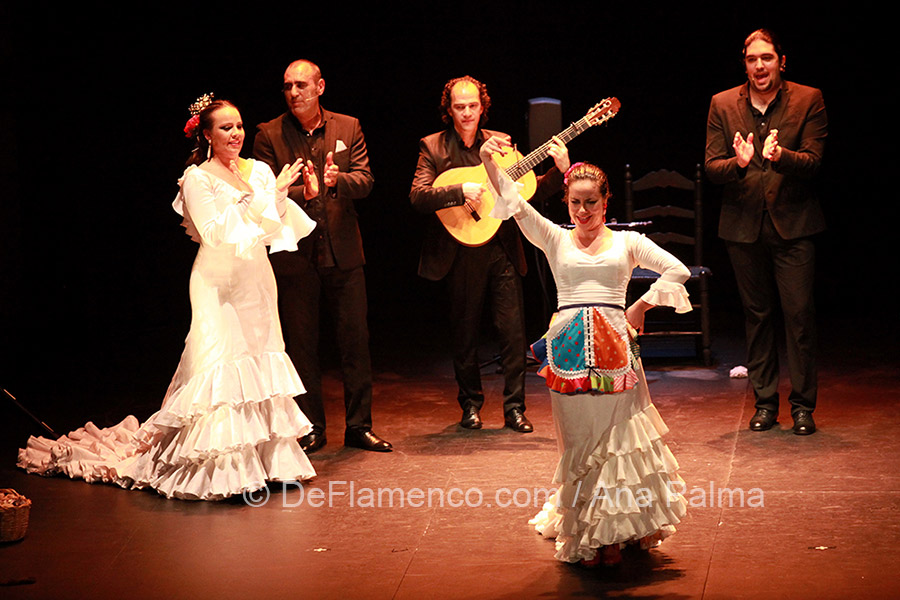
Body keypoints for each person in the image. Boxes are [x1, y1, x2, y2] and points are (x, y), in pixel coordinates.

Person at [18, 96, 318, 500]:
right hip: (217, 282)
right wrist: (268, 197)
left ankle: (269, 463)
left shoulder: (260, 170)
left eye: (240, 126)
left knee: (260, 356)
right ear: (207, 134)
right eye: (226, 128)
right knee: (220, 362)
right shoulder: (198, 178)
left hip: (256, 278)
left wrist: (280, 195)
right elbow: (214, 235)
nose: (236, 134)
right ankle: (220, 469)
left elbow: (273, 229)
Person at [482, 139, 689, 565]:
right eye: (575, 203)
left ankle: (617, 533)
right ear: (565, 201)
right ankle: (591, 533)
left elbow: (677, 269)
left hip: (616, 348)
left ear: (605, 200)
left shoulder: (626, 243)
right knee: (580, 445)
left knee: (619, 442)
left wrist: (640, 305)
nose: (582, 212)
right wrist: (486, 160)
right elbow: (513, 202)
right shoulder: (555, 238)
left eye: (591, 202)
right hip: (570, 352)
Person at [409, 75, 569, 433]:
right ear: (448, 110)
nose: (467, 113)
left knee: (513, 332)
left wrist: (560, 173)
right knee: (464, 332)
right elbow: (418, 196)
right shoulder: (433, 147)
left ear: (483, 107)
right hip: (461, 248)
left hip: (502, 248)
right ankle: (470, 405)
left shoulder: (502, 146)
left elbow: (531, 191)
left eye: (473, 106)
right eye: (459, 107)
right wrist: (459, 190)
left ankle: (515, 408)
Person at [253, 59, 391, 453]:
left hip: (343, 252)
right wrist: (304, 194)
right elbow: (264, 196)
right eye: (287, 86)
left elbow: (365, 180)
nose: (293, 92)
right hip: (295, 255)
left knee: (355, 342)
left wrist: (337, 181)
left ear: (320, 87)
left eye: (300, 85)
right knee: (302, 346)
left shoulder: (348, 126)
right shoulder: (268, 134)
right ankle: (311, 426)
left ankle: (359, 426)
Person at [705, 29, 827, 435]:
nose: (760, 66)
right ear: (745, 63)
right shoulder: (722, 104)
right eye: (753, 59)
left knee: (799, 317)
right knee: (757, 318)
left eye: (767, 58)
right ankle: (765, 403)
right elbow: (711, 168)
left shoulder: (809, 99)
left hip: (793, 226)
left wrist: (781, 156)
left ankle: (803, 407)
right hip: (743, 228)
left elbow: (813, 161)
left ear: (781, 61)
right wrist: (739, 163)